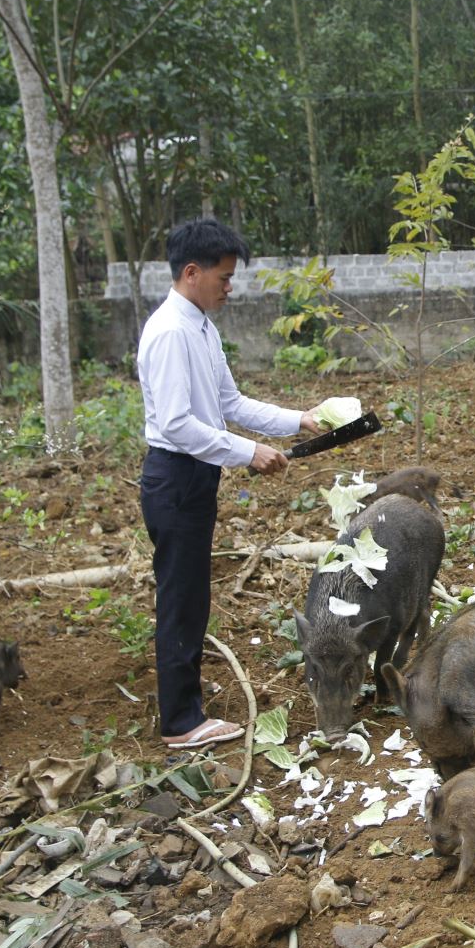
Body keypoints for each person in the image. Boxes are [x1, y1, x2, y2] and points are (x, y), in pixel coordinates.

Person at [137, 218, 329, 749]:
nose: (228, 287)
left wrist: (299, 419)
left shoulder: (200, 325)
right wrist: (248, 453)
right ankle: (180, 721)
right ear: (192, 272)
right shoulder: (171, 332)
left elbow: (229, 404)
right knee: (182, 596)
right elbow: (177, 424)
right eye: (222, 278)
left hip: (194, 475)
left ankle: (186, 695)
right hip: (174, 477)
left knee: (193, 593)